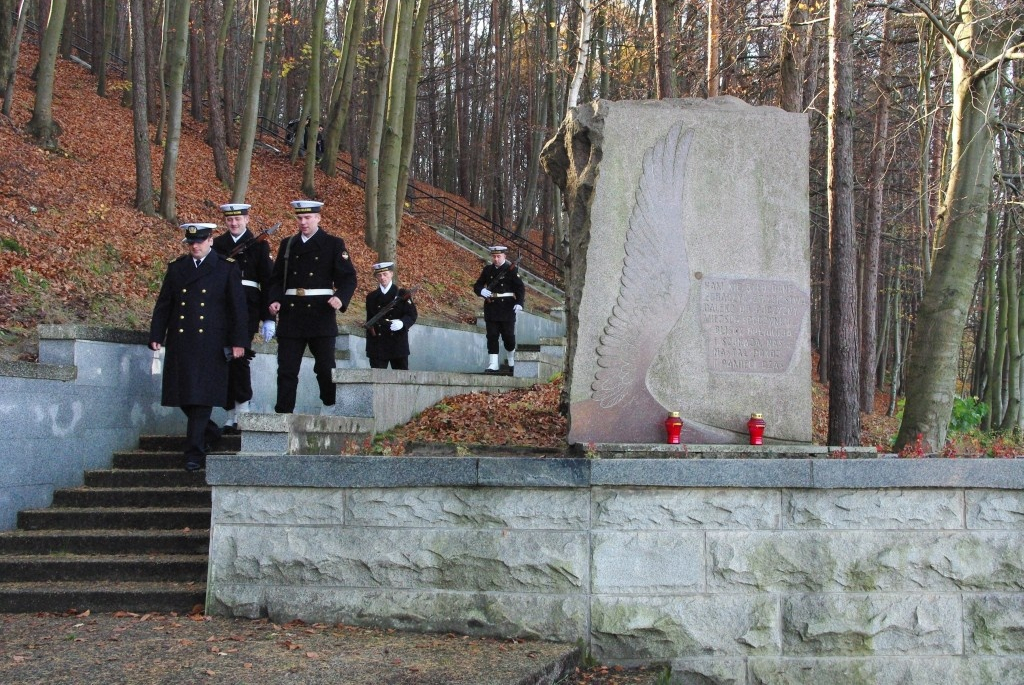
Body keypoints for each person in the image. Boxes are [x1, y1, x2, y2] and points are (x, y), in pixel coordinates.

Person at [149, 223, 248, 471]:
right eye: (191, 242)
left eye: (200, 241)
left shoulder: (226, 268)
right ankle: (210, 431)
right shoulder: (177, 268)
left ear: (210, 241)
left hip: (211, 343)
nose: (195, 246)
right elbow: (164, 305)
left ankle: (194, 451)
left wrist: (239, 342)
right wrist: (156, 335)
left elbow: (238, 308)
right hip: (182, 342)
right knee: (183, 395)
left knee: (201, 398)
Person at [267, 200, 357, 413]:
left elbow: (348, 278)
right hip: (292, 314)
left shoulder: (333, 244)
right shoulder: (288, 244)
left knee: (325, 368)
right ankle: (283, 412)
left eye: (308, 218)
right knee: (287, 369)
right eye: (300, 218)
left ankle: (330, 405)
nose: (303, 222)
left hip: (320, 314)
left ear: (318, 217)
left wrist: (340, 298)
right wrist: (275, 299)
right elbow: (276, 278)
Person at [211, 203, 275, 433]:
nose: (234, 223)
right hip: (222, 307)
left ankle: (243, 408)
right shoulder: (218, 245)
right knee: (223, 358)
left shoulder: (259, 245)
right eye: (229, 220)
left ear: (247, 219)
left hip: (248, 307)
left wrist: (269, 317)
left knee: (240, 356)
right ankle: (230, 412)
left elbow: (268, 281)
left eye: (238, 219)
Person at [473, 245, 525, 374]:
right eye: (494, 256)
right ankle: (493, 363)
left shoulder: (511, 270)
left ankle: (511, 361)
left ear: (504, 256)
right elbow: (477, 285)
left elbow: (520, 288)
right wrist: (481, 291)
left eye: (498, 256)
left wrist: (519, 303)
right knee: (492, 336)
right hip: (491, 307)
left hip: (507, 307)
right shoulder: (487, 270)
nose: (496, 259)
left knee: (508, 337)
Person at [364, 261, 417, 370]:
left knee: (401, 381)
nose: (382, 278)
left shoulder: (402, 294)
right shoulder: (371, 297)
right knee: (377, 381)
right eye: (379, 275)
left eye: (385, 274)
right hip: (378, 345)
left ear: (391, 274)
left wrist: (402, 323)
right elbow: (370, 320)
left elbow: (412, 315)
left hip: (397, 343)